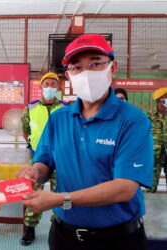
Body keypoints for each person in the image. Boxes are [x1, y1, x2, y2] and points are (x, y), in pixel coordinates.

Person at [17, 34, 153, 250]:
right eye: (77, 67)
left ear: (113, 67)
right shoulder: (58, 119)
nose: (86, 73)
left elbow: (124, 188)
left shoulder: (133, 121)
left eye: (95, 64)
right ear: (69, 74)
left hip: (118, 238)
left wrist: (60, 199)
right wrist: (34, 172)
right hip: (64, 236)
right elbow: (44, 161)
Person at [20, 72, 66, 246]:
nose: (50, 87)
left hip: (61, 158)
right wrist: (35, 146)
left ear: (58, 87)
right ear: (41, 87)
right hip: (37, 159)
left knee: (59, 192)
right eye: (46, 84)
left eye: (53, 84)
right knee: (32, 192)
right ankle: (29, 229)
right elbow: (25, 130)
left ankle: (58, 226)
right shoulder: (30, 108)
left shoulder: (65, 108)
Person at [146, 87, 167, 192]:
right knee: (149, 188)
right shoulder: (149, 116)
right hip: (154, 157)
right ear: (159, 100)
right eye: (165, 99)